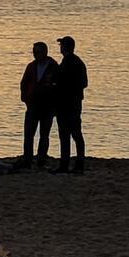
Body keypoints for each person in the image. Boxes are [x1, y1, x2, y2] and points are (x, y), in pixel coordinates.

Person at [17, 41, 57, 169]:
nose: (35, 54)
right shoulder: (31, 66)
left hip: (47, 107)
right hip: (32, 106)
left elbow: (58, 87)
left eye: (37, 52)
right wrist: (26, 99)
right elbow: (23, 83)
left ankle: (41, 161)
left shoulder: (53, 67)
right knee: (29, 135)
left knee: (44, 136)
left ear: (45, 52)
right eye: (34, 52)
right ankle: (27, 160)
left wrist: (54, 106)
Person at [53, 35, 89, 174]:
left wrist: (60, 85)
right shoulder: (75, 62)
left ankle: (71, 164)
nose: (60, 48)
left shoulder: (71, 63)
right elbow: (83, 83)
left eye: (62, 45)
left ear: (66, 47)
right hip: (70, 103)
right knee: (71, 134)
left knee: (71, 134)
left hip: (68, 104)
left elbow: (81, 83)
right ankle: (72, 163)